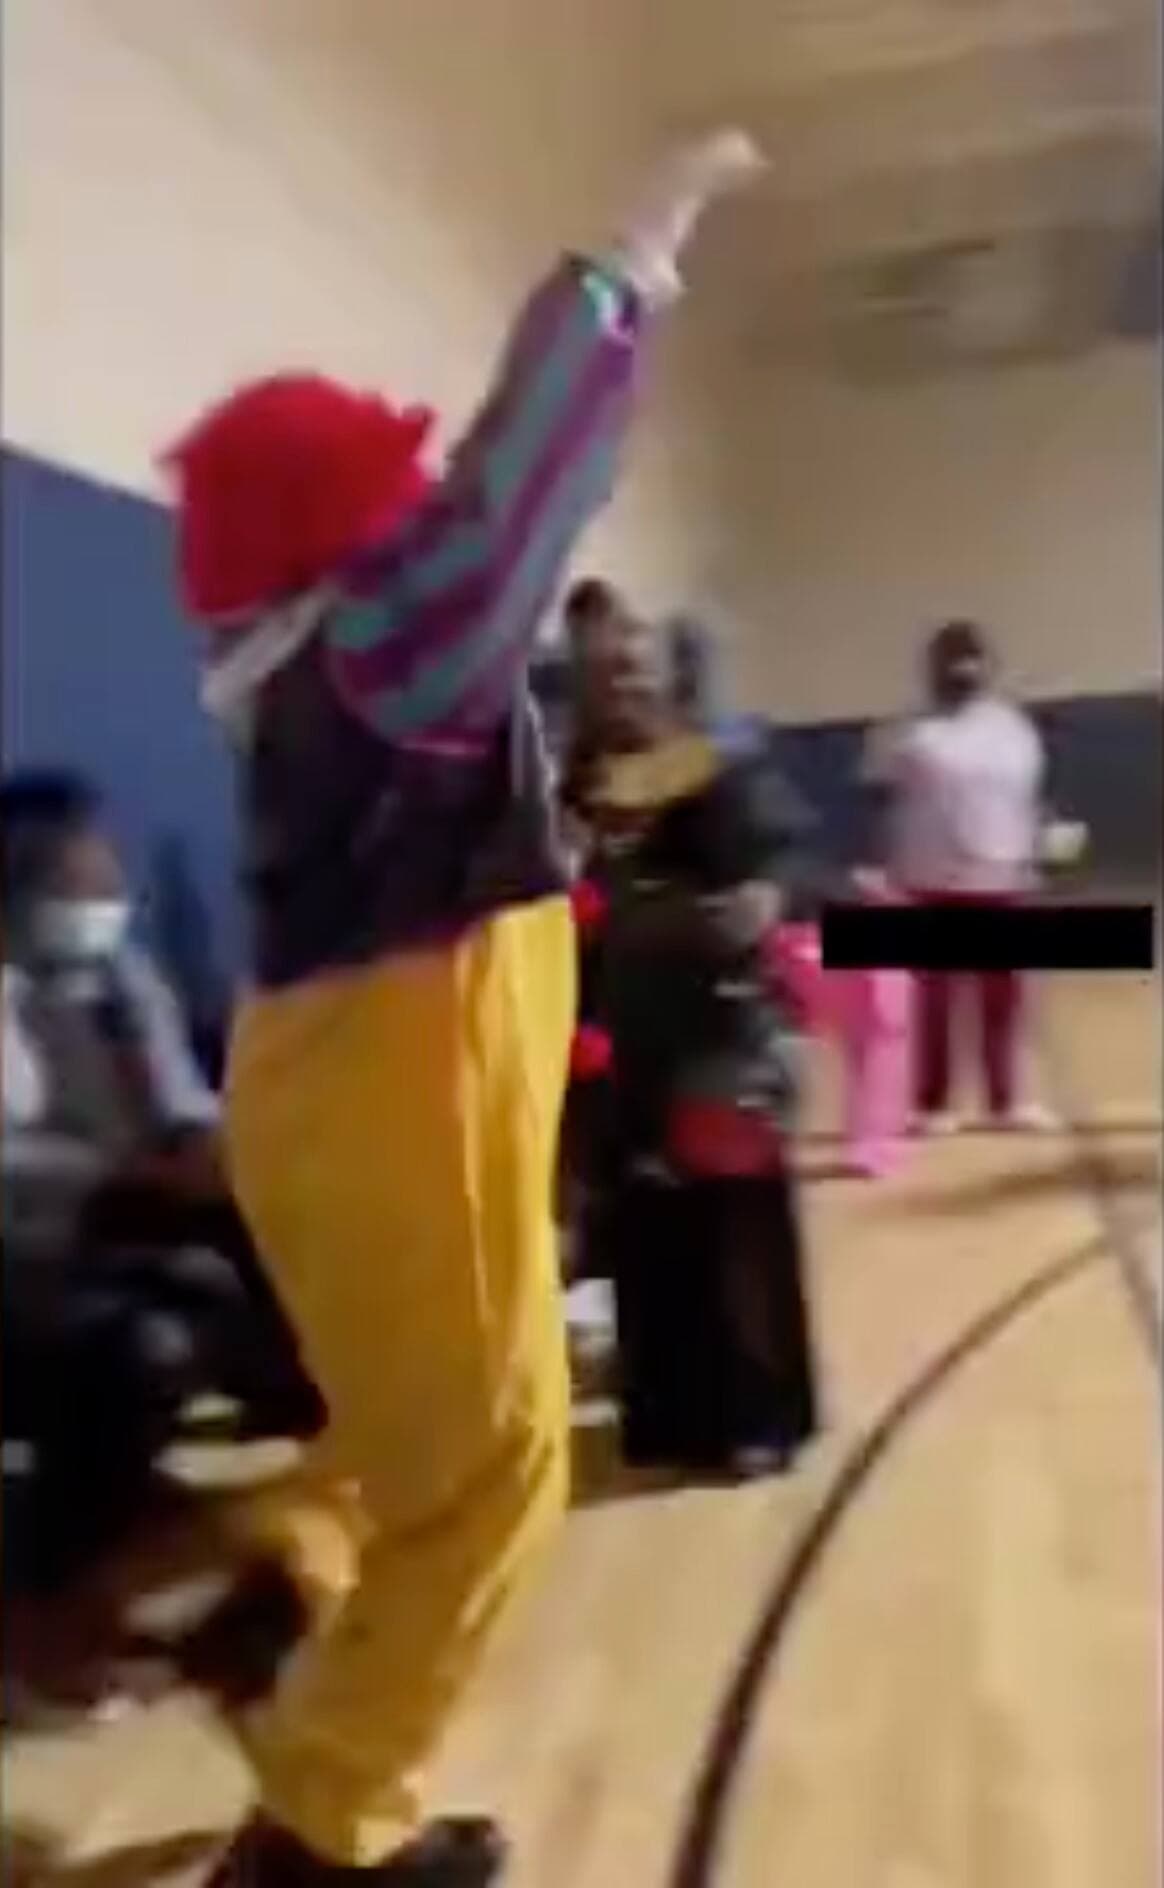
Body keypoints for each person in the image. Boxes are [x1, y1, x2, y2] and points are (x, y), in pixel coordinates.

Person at [162, 131, 767, 1887]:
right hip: (399, 1085)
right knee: (498, 1465)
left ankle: (278, 1597)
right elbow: (511, 499)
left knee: (411, 1436)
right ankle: (322, 1828)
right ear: (332, 531)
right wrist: (625, 268)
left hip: (342, 1082)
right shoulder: (376, 652)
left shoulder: (306, 682)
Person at [1, 771, 319, 1614]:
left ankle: (330, 1445)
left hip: (118, 1219)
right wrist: (115, 1172)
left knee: (282, 1220)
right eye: (78, 874)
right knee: (146, 1343)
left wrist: (209, 1146)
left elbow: (180, 1099)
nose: (105, 886)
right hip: (28, 1254)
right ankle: (53, 1563)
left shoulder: (120, 975)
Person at [561, 588, 819, 1478]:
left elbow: (794, 856)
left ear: (663, 673)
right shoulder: (567, 786)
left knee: (738, 1232)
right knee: (647, 1233)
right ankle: (672, 1418)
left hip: (720, 1031)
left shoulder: (710, 764)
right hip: (622, 1039)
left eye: (635, 665)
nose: (623, 682)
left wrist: (768, 897)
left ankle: (761, 1416)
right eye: (605, 670)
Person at [864, 620, 1053, 1132]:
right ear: (933, 668)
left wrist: (1035, 855)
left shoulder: (1012, 728)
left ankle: (1006, 1102)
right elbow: (876, 803)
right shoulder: (905, 731)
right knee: (934, 1001)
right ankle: (933, 1104)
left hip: (1001, 879)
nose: (961, 671)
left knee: (1003, 1001)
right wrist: (879, 872)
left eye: (970, 660)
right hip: (928, 882)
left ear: (986, 667)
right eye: (950, 660)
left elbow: (1030, 799)